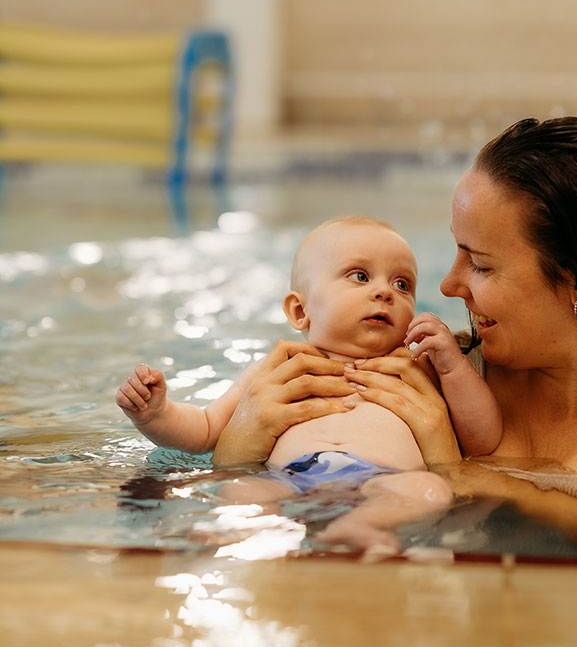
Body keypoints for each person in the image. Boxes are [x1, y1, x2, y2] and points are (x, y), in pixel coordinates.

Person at [210, 118, 577, 544]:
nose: (447, 285)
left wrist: (452, 466)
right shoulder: (431, 370)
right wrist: (236, 451)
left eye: (482, 264)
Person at [116, 215, 501, 553]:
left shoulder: (418, 369)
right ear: (301, 311)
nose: (385, 292)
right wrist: (155, 414)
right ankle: (231, 532)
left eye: (403, 285)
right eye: (360, 276)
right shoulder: (277, 369)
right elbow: (204, 429)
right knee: (243, 493)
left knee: (428, 491)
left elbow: (482, 440)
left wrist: (451, 365)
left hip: (388, 482)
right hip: (288, 478)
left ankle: (366, 524)